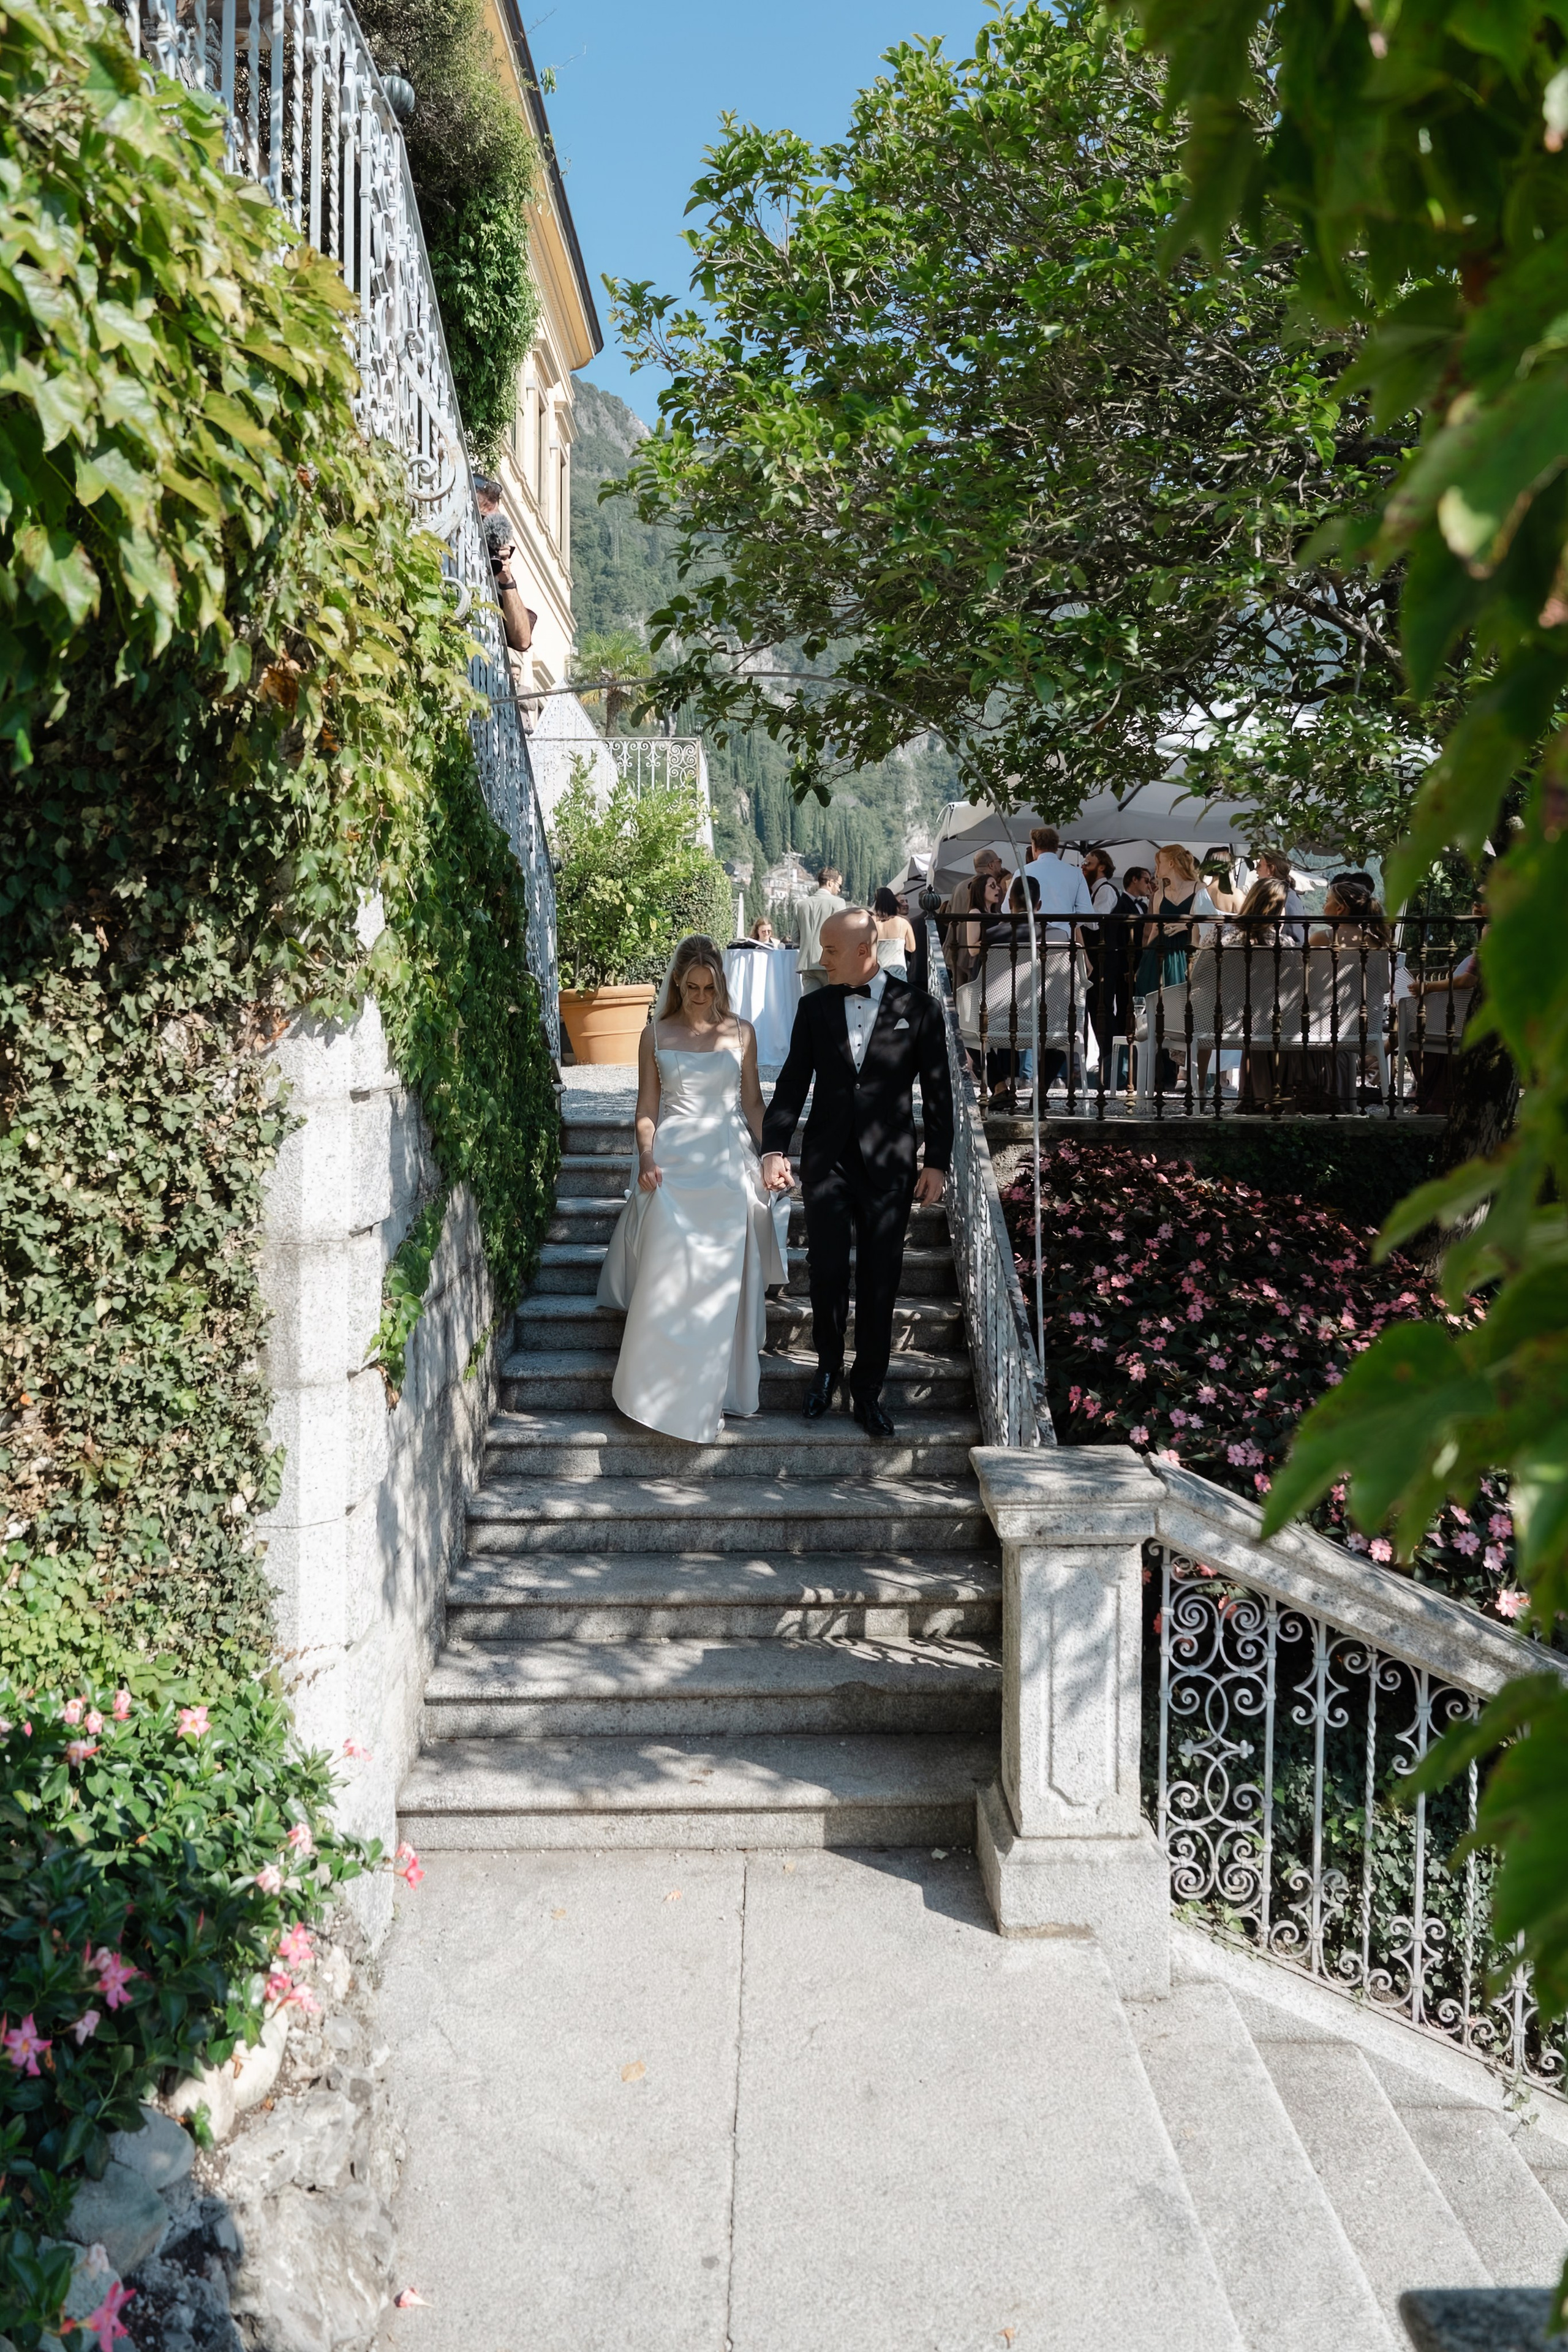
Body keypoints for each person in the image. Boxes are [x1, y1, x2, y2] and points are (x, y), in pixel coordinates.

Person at [760, 908, 953, 1438]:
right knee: (826, 1274)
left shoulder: (920, 1008)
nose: (821, 958)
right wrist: (773, 1148)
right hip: (828, 1163)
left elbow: (939, 1092)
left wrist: (937, 1160)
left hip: (890, 1164)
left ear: (863, 951)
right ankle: (826, 1371)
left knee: (880, 1281)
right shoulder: (814, 1007)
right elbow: (793, 1085)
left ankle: (868, 1388)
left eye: (829, 949)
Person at [597, 936, 785, 1444]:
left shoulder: (741, 1034)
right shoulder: (654, 1034)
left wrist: (772, 1153)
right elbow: (647, 1108)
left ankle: (716, 1387)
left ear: (720, 982)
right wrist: (647, 1156)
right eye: (693, 986)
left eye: (710, 986)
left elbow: (752, 1105)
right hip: (674, 1157)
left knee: (722, 1263)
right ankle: (654, 1386)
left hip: (725, 1157)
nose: (702, 996)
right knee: (669, 1261)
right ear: (678, 982)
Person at [1081, 848, 1140, 1087]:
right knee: (1098, 1012)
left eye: (1089, 862)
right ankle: (1110, 1065)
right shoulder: (1093, 891)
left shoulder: (1105, 891)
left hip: (1105, 963)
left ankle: (1114, 1068)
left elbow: (1096, 922)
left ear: (1102, 867)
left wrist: (1074, 912)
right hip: (1099, 962)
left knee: (1102, 1012)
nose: (1084, 866)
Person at [1022, 824, 1095, 938]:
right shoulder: (1075, 873)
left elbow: (1007, 908)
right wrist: (1067, 925)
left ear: (1034, 847)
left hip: (1031, 940)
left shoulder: (1023, 872)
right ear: (1056, 847)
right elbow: (1085, 912)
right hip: (1064, 940)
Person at [791, 865, 847, 994]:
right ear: (830, 882)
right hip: (831, 963)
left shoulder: (801, 905)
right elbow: (843, 934)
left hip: (807, 964)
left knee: (811, 1007)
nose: (839, 890)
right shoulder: (838, 903)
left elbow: (795, 937)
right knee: (832, 1005)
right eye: (839, 885)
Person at [1256, 849, 1308, 943]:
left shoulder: (1275, 896)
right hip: (1295, 951)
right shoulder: (1291, 893)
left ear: (1271, 869)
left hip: (1283, 952)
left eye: (1259, 865)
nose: (1256, 869)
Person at [872, 886, 917, 978]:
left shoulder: (871, 922)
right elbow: (911, 948)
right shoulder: (903, 922)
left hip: (877, 973)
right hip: (898, 973)